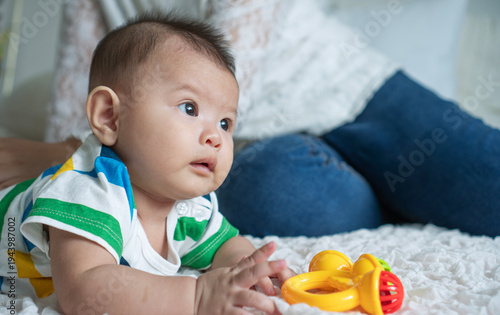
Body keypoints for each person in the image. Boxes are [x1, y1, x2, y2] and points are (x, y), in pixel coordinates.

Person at [2, 0, 500, 239]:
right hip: (247, 149)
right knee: (276, 199)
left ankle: (407, 189)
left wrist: (54, 154)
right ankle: (397, 204)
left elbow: (223, 89)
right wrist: (65, 159)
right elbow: (81, 111)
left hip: (354, 95)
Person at [0, 13, 294, 315]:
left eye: (225, 123)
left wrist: (245, 270)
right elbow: (83, 293)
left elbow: (225, 243)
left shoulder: (190, 205)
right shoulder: (88, 190)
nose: (216, 138)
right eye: (189, 108)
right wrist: (197, 297)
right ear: (110, 117)